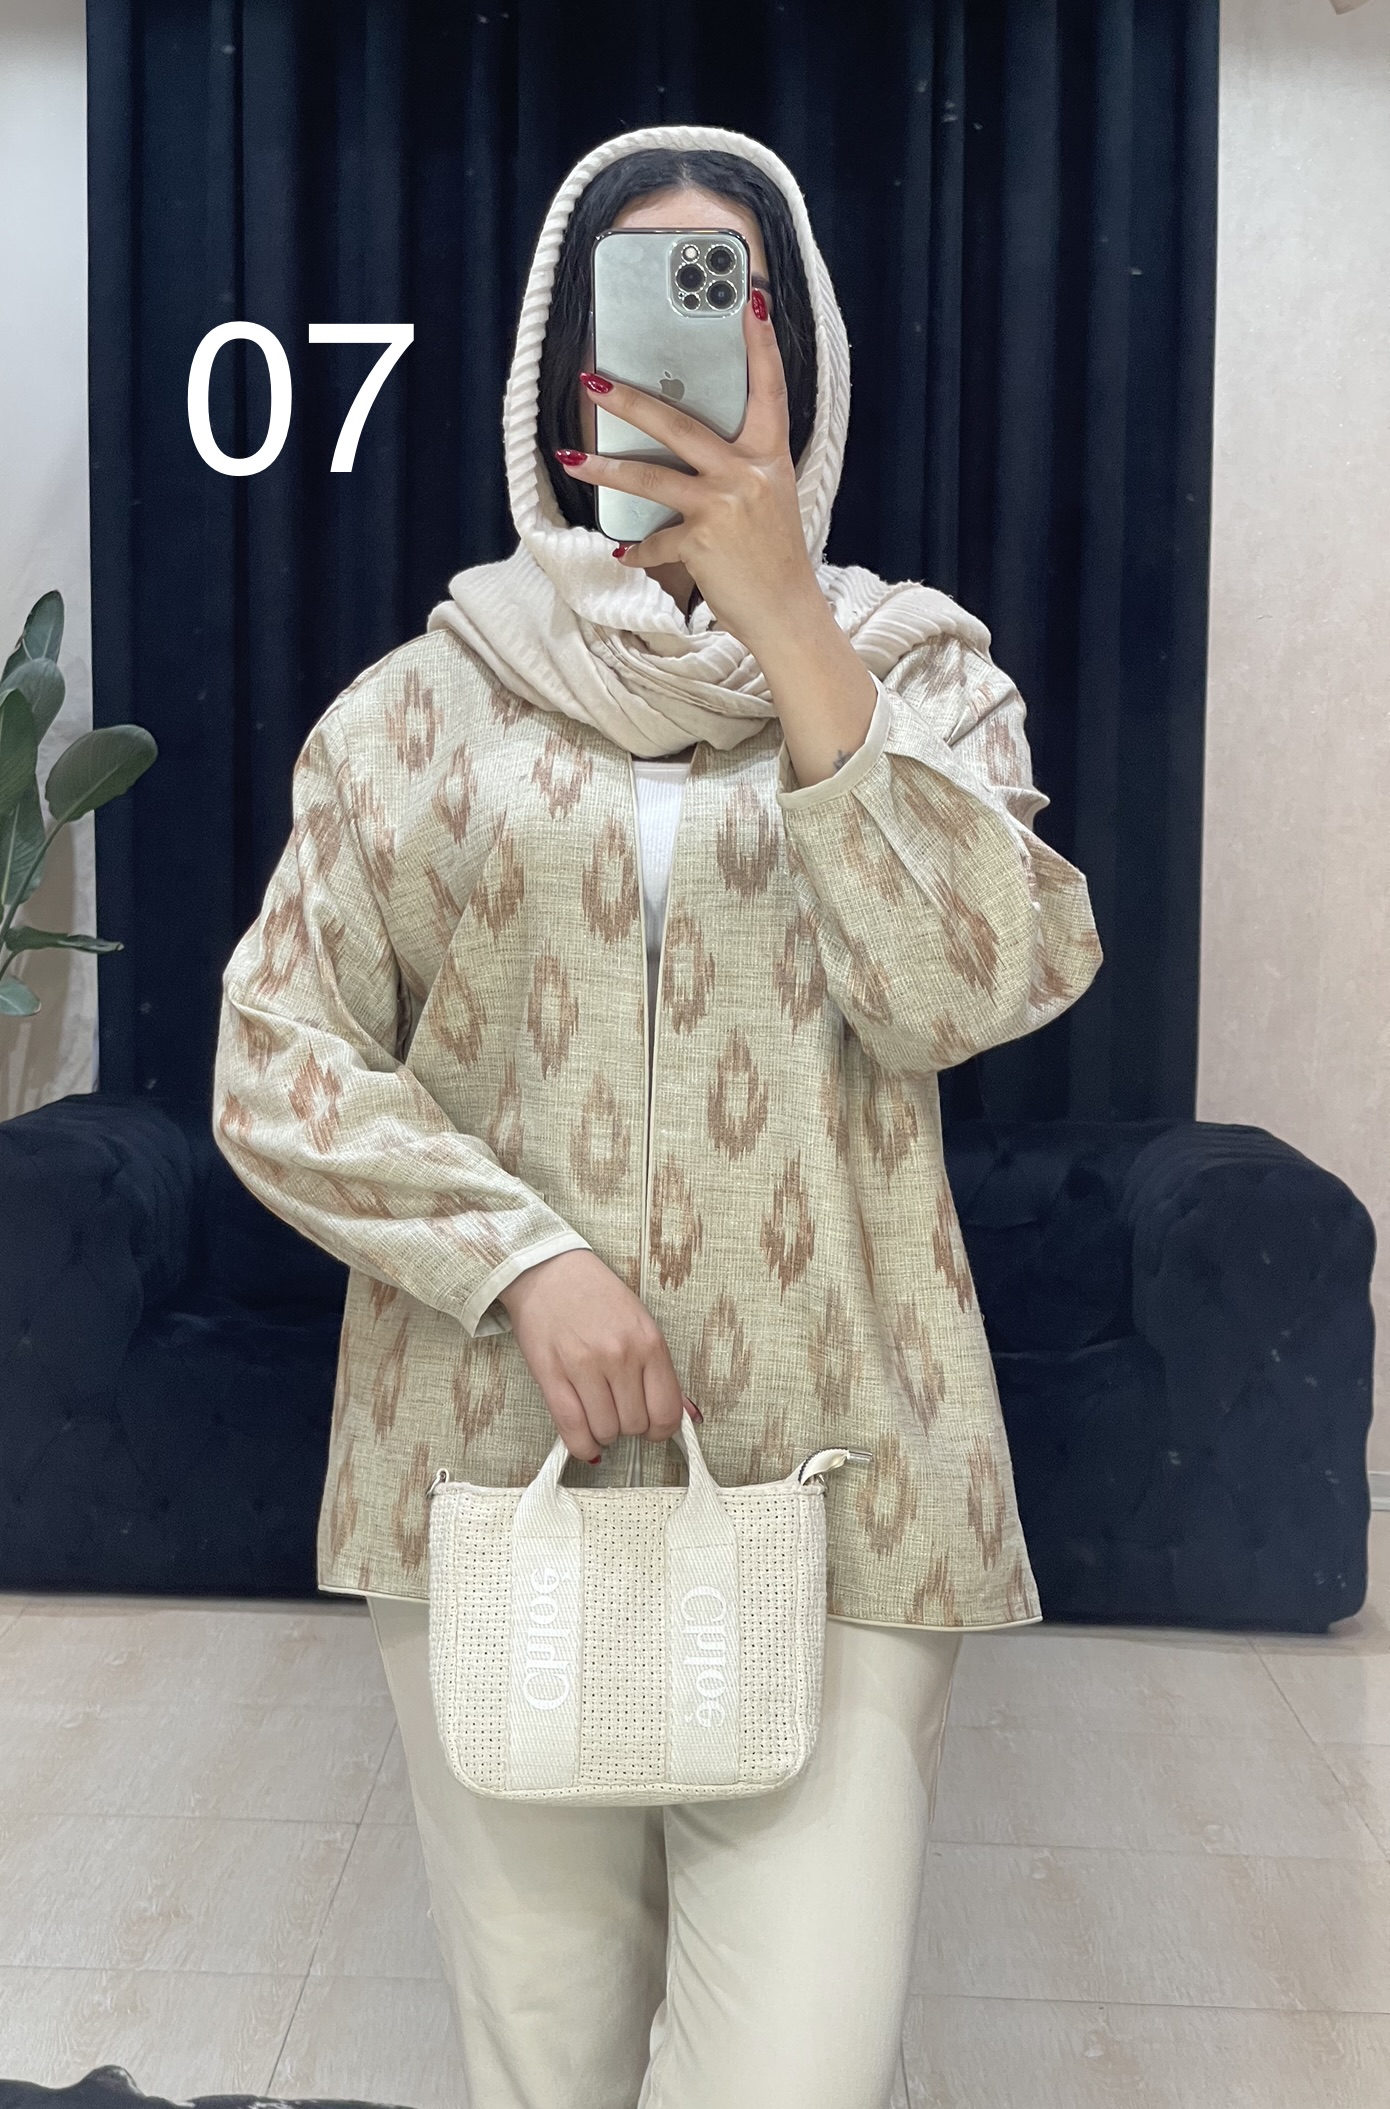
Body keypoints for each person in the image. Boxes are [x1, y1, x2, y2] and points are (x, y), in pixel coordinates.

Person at [213, 122, 1101, 2109]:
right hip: (486, 1478)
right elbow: (276, 1055)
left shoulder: (920, 683)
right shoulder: (422, 705)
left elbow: (969, 986)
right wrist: (519, 1255)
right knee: (541, 2070)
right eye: (647, 313)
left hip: (843, 1489)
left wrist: (789, 621)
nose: (692, 358)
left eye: (732, 303)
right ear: (564, 375)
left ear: (802, 356)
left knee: (788, 2074)